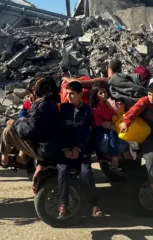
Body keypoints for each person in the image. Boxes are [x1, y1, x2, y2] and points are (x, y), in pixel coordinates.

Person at [58, 81, 103, 219]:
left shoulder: (87, 111)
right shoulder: (63, 109)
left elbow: (88, 133)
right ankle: (63, 205)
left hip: (81, 150)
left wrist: (78, 149)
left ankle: (94, 206)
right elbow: (58, 131)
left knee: (86, 172)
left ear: (80, 94)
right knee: (62, 170)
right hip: (65, 151)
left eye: (72, 94)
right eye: (67, 93)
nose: (68, 96)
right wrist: (66, 150)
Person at [0, 79, 59, 167]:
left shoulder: (39, 106)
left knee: (8, 130)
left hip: (43, 149)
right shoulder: (50, 102)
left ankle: (5, 160)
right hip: (48, 145)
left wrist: (15, 122)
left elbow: (26, 132)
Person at [119, 81, 153, 197]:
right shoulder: (144, 101)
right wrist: (126, 122)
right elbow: (133, 111)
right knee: (150, 157)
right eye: (150, 94)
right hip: (148, 134)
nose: (151, 98)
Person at [89, 83, 128, 168]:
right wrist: (111, 126)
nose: (104, 95)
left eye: (105, 92)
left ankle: (115, 156)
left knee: (113, 134)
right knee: (105, 134)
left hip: (112, 125)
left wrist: (114, 106)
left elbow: (118, 112)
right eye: (100, 93)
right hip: (101, 128)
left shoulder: (110, 102)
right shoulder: (95, 108)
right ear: (96, 95)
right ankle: (106, 155)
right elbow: (99, 122)